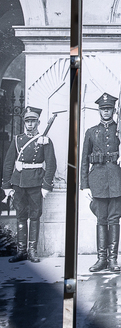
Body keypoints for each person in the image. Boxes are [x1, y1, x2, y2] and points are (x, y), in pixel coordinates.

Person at [80, 93, 121, 273]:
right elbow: (84, 160)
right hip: (98, 181)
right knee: (101, 219)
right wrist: (84, 185)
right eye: (103, 109)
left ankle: (113, 259)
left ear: (114, 110)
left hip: (117, 181)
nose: (106, 112)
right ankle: (101, 259)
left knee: (113, 219)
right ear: (99, 111)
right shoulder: (91, 132)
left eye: (109, 109)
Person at [2, 107, 56, 263]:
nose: (30, 124)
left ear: (38, 122)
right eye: (27, 121)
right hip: (18, 183)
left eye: (33, 121)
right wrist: (7, 185)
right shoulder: (18, 140)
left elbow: (51, 164)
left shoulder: (45, 140)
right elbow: (8, 163)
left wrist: (46, 185)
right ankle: (21, 251)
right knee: (20, 215)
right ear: (24, 123)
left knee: (34, 216)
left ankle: (32, 251)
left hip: (35, 183)